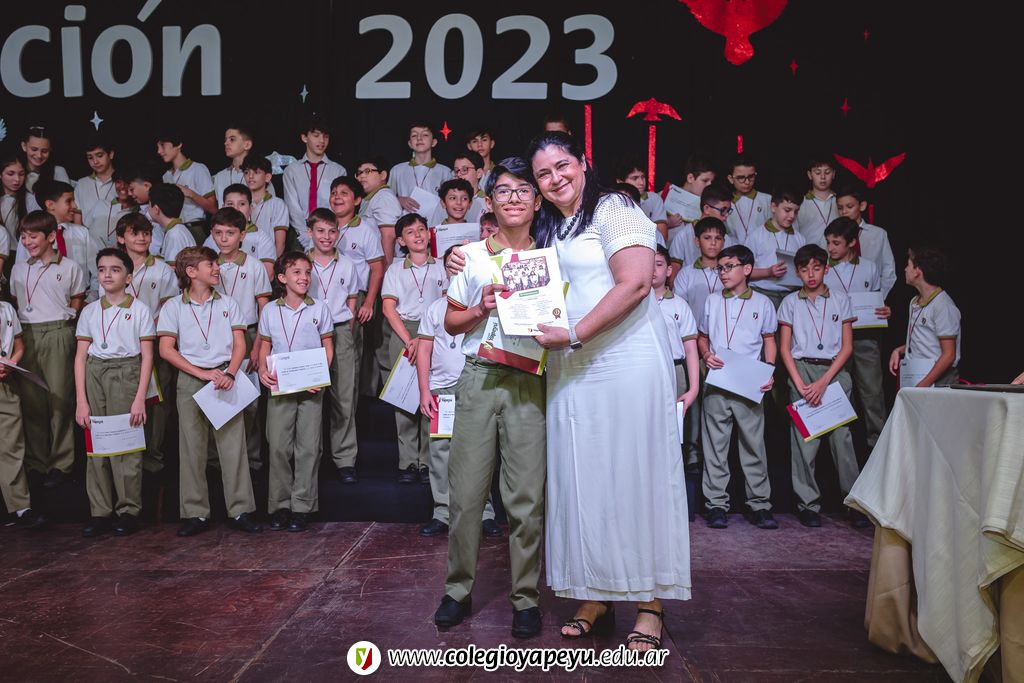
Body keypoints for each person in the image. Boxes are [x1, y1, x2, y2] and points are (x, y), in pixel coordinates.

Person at [526, 130, 690, 651]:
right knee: (583, 479)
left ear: (582, 161)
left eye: (562, 166)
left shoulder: (613, 206)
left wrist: (574, 333)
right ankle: (596, 594)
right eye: (543, 174)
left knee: (634, 475)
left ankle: (650, 602)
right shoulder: (552, 223)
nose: (555, 179)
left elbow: (636, 282)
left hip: (624, 360)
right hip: (572, 367)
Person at [432, 157, 546, 639]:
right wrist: (480, 308)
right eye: (504, 191)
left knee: (526, 498)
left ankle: (526, 597)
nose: (514, 198)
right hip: (478, 377)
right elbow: (450, 322)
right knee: (466, 494)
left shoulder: (552, 254)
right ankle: (457, 590)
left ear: (537, 201)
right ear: (490, 201)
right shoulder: (470, 256)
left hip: (529, 379)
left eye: (523, 190)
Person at [157, 246, 261, 537]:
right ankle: (195, 513)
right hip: (192, 379)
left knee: (233, 446)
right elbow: (166, 349)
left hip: (225, 376)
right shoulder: (173, 307)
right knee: (191, 448)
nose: (217, 268)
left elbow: (239, 343)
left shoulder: (228, 302)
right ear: (191, 272)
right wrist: (202, 373)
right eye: (210, 264)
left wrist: (230, 373)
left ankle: (240, 510)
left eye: (216, 263)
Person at [777, 244, 867, 529]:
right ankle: (807, 504)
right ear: (797, 272)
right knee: (805, 442)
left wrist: (824, 381)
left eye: (816, 268)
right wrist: (800, 383)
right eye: (805, 270)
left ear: (826, 269)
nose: (811, 274)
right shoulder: (790, 302)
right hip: (802, 370)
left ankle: (853, 503)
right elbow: (785, 347)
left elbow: (847, 346)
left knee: (842, 440)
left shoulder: (840, 299)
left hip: (834, 372)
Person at [74, 248, 155, 537]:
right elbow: (80, 357)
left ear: (128, 277)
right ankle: (100, 512)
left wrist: (139, 398)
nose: (107, 274)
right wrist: (81, 401)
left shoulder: (140, 310)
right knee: (96, 443)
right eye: (102, 269)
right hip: (95, 372)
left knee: (125, 443)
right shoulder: (89, 311)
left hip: (127, 372)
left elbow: (147, 357)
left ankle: (129, 510)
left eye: (115, 269)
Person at [697, 244, 778, 530]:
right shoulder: (711, 301)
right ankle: (716, 504)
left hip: (749, 382)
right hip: (718, 380)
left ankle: (760, 504)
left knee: (753, 445)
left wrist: (769, 370)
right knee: (715, 446)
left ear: (747, 269)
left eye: (729, 267)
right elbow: (702, 336)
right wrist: (706, 354)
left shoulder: (763, 303)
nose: (723, 273)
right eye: (720, 268)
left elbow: (769, 339)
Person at [258, 251, 334, 532]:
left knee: (309, 447)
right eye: (297, 272)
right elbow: (265, 346)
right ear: (282, 278)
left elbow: (328, 347)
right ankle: (279, 505)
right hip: (280, 385)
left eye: (307, 273)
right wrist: (262, 370)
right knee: (278, 446)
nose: (304, 278)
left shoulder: (319, 308)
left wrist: (321, 374)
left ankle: (302, 506)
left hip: (311, 386)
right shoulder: (270, 310)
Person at [414, 295, 501, 538]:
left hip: (475, 386)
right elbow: (424, 349)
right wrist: (424, 390)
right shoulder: (435, 308)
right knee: (440, 451)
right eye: (452, 275)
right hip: (441, 389)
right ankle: (442, 512)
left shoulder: (481, 305)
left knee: (479, 451)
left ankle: (484, 513)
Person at [11, 210, 87, 488]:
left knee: (59, 399)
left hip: (58, 332)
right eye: (23, 237)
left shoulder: (70, 267)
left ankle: (61, 463)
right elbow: (15, 300)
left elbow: (78, 297)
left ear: (51, 236)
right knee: (32, 401)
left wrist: (68, 317)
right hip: (28, 333)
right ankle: (37, 462)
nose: (27, 242)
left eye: (33, 236)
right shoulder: (19, 269)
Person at [382, 214, 447, 484]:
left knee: (431, 393)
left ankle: (428, 461)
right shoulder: (395, 269)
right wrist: (410, 338)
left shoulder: (442, 265)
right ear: (401, 241)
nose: (418, 235)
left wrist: (424, 336)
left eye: (421, 229)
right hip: (404, 331)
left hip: (435, 331)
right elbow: (389, 308)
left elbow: (448, 302)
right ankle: (408, 461)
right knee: (405, 397)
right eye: (410, 232)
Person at [208, 207, 273, 471]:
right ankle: (216, 460)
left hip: (248, 332)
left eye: (230, 233)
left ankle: (251, 458)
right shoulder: (208, 265)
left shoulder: (255, 266)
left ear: (242, 235)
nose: (224, 239)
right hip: (215, 335)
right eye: (218, 233)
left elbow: (263, 307)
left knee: (249, 401)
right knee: (215, 396)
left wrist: (258, 346)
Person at [115, 213, 179, 476]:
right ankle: (128, 454)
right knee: (125, 399)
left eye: (146, 233)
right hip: (121, 345)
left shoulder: (162, 269)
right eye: (135, 233)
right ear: (121, 238)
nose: (142, 238)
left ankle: (153, 456)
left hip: (153, 342)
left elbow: (169, 309)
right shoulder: (114, 267)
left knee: (157, 402)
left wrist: (147, 328)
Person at [823, 217, 891, 453]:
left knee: (872, 392)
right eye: (828, 242)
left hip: (865, 338)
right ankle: (843, 449)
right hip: (835, 340)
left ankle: (878, 448)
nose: (830, 248)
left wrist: (884, 310)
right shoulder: (823, 269)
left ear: (852, 242)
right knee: (839, 392)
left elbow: (876, 300)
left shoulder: (869, 267)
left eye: (836, 243)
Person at [306, 209, 360, 485]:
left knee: (344, 396)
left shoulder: (347, 264)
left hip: (339, 330)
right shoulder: (300, 263)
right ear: (310, 233)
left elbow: (352, 299)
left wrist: (345, 330)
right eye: (320, 231)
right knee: (310, 397)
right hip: (307, 332)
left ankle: (345, 458)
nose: (326, 237)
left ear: (338, 233)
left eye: (331, 231)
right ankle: (311, 457)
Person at [673, 217, 728, 474]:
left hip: (723, 349)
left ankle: (717, 459)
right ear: (697, 242)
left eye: (718, 238)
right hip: (695, 346)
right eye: (707, 238)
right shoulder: (686, 273)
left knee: (719, 406)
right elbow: (680, 310)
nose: (713, 243)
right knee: (694, 404)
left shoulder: (729, 271)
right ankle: (694, 456)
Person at [0, 297, 48, 529]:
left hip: (5, 384)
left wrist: (10, 363)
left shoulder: (7, 309)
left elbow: (18, 345)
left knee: (12, 446)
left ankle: (20, 507)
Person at [653, 245, 701, 473]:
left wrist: (693, 389)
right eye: (648, 264)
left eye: (659, 264)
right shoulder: (634, 303)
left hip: (675, 370)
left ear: (669, 270)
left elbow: (691, 350)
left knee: (676, 432)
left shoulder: (679, 304)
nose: (653, 270)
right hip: (645, 370)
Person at [888, 247, 961, 387]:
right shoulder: (914, 302)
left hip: (937, 380)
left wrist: (921, 386)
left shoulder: (943, 306)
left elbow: (949, 355)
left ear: (917, 271)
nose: (905, 269)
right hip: (917, 376)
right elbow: (926, 342)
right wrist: (899, 350)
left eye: (908, 265)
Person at [19, 180, 102, 302]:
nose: (75, 206)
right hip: (44, 301)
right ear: (50, 205)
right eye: (69, 201)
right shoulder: (30, 237)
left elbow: (97, 269)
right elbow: (22, 273)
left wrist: (89, 300)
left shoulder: (82, 233)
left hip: (82, 299)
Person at [283, 116, 347, 251]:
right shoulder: (291, 170)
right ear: (304, 138)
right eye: (316, 135)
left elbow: (339, 205)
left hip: (329, 230)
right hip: (299, 231)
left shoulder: (338, 170)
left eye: (325, 136)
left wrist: (326, 230)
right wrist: (304, 235)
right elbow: (292, 206)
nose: (322, 141)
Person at [747, 186, 806, 310]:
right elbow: (744, 271)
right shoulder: (756, 236)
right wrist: (768, 272)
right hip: (763, 293)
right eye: (787, 210)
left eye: (796, 211)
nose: (792, 216)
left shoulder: (800, 239)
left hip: (791, 296)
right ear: (773, 207)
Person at [835, 184, 897, 300]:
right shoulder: (834, 237)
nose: (844, 212)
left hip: (872, 295)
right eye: (840, 208)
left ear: (862, 206)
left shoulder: (878, 234)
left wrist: (878, 297)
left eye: (849, 206)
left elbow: (888, 269)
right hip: (841, 298)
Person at [203, 184, 276, 280]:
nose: (236, 209)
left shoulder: (262, 238)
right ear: (223, 207)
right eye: (230, 204)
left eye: (242, 204)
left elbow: (268, 275)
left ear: (250, 208)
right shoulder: (211, 239)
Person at [157, 130, 216, 241]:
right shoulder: (166, 176)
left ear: (178, 144)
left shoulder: (198, 169)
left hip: (194, 229)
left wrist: (190, 194)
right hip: (172, 230)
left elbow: (213, 208)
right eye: (158, 147)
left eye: (162, 145)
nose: (159, 151)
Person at [668, 185, 737, 268]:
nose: (726, 216)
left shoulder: (726, 238)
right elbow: (674, 271)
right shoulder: (684, 235)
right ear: (706, 208)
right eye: (723, 210)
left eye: (728, 211)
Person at [390, 123, 452, 215]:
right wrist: (399, 200)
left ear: (434, 142)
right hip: (405, 221)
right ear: (410, 144)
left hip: (436, 221)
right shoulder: (397, 170)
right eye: (414, 135)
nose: (419, 138)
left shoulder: (445, 171)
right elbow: (386, 198)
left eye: (425, 135)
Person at [242, 155, 289, 256]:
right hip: (243, 258)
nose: (250, 176)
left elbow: (280, 244)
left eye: (256, 172)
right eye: (246, 172)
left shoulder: (278, 204)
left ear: (267, 177)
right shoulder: (239, 203)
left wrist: (273, 263)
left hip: (268, 258)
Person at [355, 157, 401, 261]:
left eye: (367, 171)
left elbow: (389, 236)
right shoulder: (372, 198)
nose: (361, 176)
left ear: (383, 175)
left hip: (381, 264)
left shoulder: (384, 197)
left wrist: (385, 268)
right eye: (359, 173)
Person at [214, 124, 272, 205]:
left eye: (232, 139)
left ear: (247, 145)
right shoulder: (220, 176)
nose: (226, 143)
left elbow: (271, 206)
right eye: (225, 140)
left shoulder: (259, 175)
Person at [615, 155, 668, 242]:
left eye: (643, 177)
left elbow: (662, 237)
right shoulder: (610, 202)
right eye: (634, 178)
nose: (641, 183)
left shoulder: (654, 198)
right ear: (620, 182)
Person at [664, 154, 715, 243]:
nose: (709, 185)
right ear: (690, 178)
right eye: (705, 181)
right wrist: (666, 223)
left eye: (711, 181)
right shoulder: (664, 195)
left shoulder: (711, 205)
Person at [725, 155, 771, 244]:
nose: (747, 182)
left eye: (751, 176)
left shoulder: (768, 200)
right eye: (741, 178)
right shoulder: (725, 203)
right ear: (731, 179)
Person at [74, 136, 117, 229]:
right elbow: (78, 221)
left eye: (100, 155)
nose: (95, 161)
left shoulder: (123, 182)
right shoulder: (82, 184)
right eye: (90, 157)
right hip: (87, 235)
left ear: (111, 154)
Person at [150, 184, 196, 267]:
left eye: (149, 205)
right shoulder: (175, 230)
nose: (148, 209)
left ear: (156, 209)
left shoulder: (175, 234)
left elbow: (173, 270)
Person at [796, 155, 837, 246]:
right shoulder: (800, 203)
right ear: (809, 175)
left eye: (827, 172)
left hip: (836, 254)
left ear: (834, 174)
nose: (823, 177)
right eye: (817, 172)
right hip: (808, 253)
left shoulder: (840, 203)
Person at [125, 164, 165, 254]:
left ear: (146, 185)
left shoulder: (163, 209)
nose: (129, 194)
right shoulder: (141, 210)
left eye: (131, 189)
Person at [20, 126, 71, 195]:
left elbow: (66, 198)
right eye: (34, 149)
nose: (39, 155)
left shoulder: (58, 171)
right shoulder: (15, 171)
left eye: (44, 151)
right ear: (24, 146)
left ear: (50, 149)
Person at [1, 152, 28, 264]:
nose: (17, 179)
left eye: (21, 174)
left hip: (20, 255)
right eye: (10, 174)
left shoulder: (29, 199)